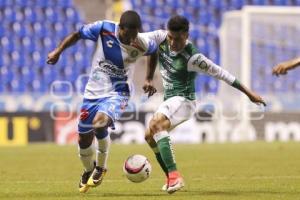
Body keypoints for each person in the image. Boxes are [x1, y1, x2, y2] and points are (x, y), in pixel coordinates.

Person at [143, 15, 267, 194]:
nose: (172, 43)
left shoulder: (193, 57)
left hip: (184, 101)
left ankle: (174, 176)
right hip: (169, 100)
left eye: (177, 39)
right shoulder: (160, 38)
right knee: (148, 135)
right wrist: (148, 77)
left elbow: (222, 73)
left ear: (186, 35)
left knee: (156, 124)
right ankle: (171, 178)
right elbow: (149, 48)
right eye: (170, 37)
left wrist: (249, 94)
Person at [47, 10, 157, 193]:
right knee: (83, 138)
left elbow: (154, 52)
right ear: (120, 28)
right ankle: (89, 169)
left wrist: (149, 78)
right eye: (128, 35)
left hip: (119, 92)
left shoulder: (142, 42)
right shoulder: (103, 28)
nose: (132, 40)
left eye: (134, 35)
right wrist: (58, 51)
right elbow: (76, 35)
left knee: (99, 124)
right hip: (92, 93)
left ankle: (101, 168)